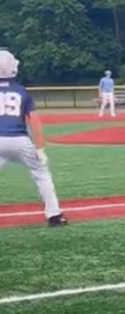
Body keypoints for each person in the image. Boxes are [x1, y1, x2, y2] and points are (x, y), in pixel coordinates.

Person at [0, 50, 67, 227]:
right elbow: (34, 122)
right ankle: (54, 215)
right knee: (41, 173)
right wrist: (40, 148)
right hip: (20, 139)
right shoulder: (21, 91)